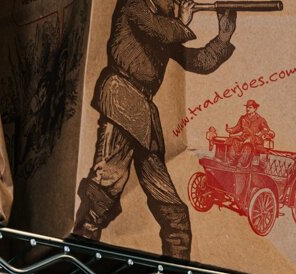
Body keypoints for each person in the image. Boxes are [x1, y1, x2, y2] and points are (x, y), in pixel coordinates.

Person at [73, 0, 237, 259]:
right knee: (103, 195)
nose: (176, 2)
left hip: (144, 116)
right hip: (121, 99)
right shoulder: (134, 6)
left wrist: (224, 37)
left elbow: (199, 61)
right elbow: (161, 30)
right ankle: (73, 264)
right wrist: (181, 21)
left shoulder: (165, 22)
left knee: (174, 213)